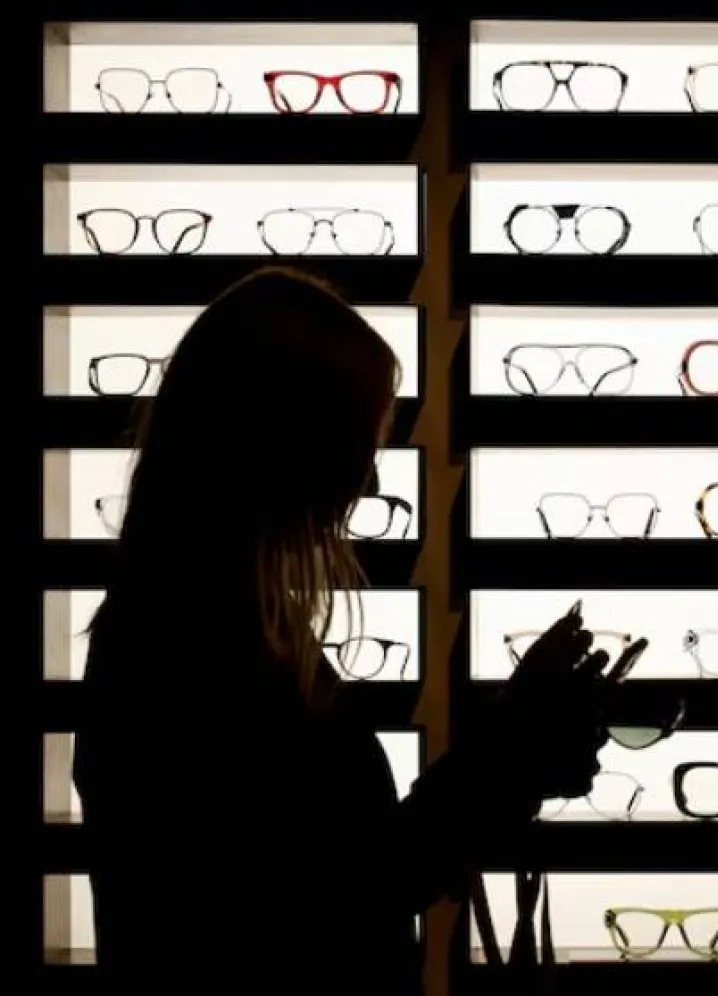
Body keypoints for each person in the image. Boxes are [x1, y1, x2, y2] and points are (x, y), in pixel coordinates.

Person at [74, 266, 619, 995]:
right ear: (285, 445)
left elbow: (328, 870)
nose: (368, 485)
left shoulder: (203, 621)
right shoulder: (187, 649)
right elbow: (310, 911)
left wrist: (508, 757)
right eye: (361, 445)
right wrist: (503, 758)